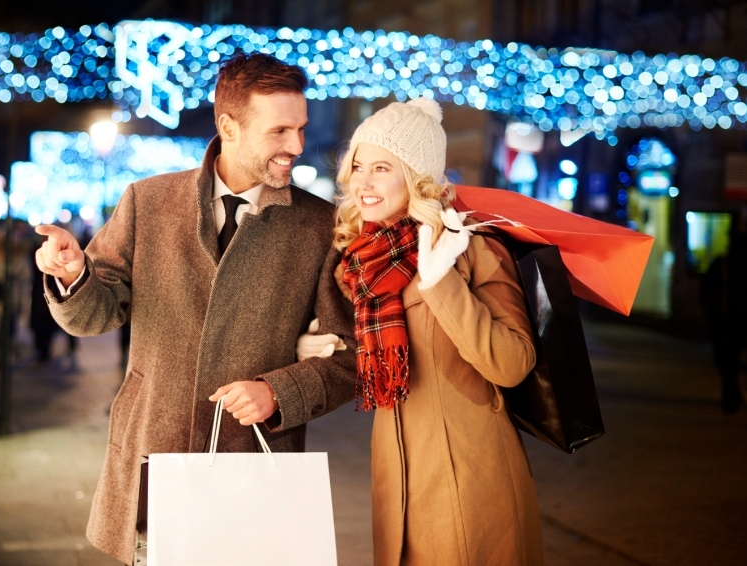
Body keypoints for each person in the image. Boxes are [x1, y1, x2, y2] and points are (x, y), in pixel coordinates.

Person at [33, 53, 356, 565]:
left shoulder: (321, 226)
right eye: (279, 131)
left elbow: (350, 358)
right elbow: (97, 316)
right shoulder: (147, 201)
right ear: (229, 126)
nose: (296, 146)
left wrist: (279, 391)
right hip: (152, 451)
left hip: (254, 462)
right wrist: (74, 274)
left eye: (300, 129)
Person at [305, 98, 542, 565]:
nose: (364, 182)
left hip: (468, 476)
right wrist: (318, 341)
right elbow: (373, 353)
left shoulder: (468, 246)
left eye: (382, 167)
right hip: (396, 479)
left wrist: (441, 282)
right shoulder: (360, 261)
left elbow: (513, 364)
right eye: (357, 166)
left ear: (416, 176)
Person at [700, 217, 747, 413]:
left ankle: (730, 392)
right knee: (734, 356)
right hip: (742, 320)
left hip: (722, 319)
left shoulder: (722, 263)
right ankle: (732, 391)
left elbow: (704, 290)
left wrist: (709, 311)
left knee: (724, 357)